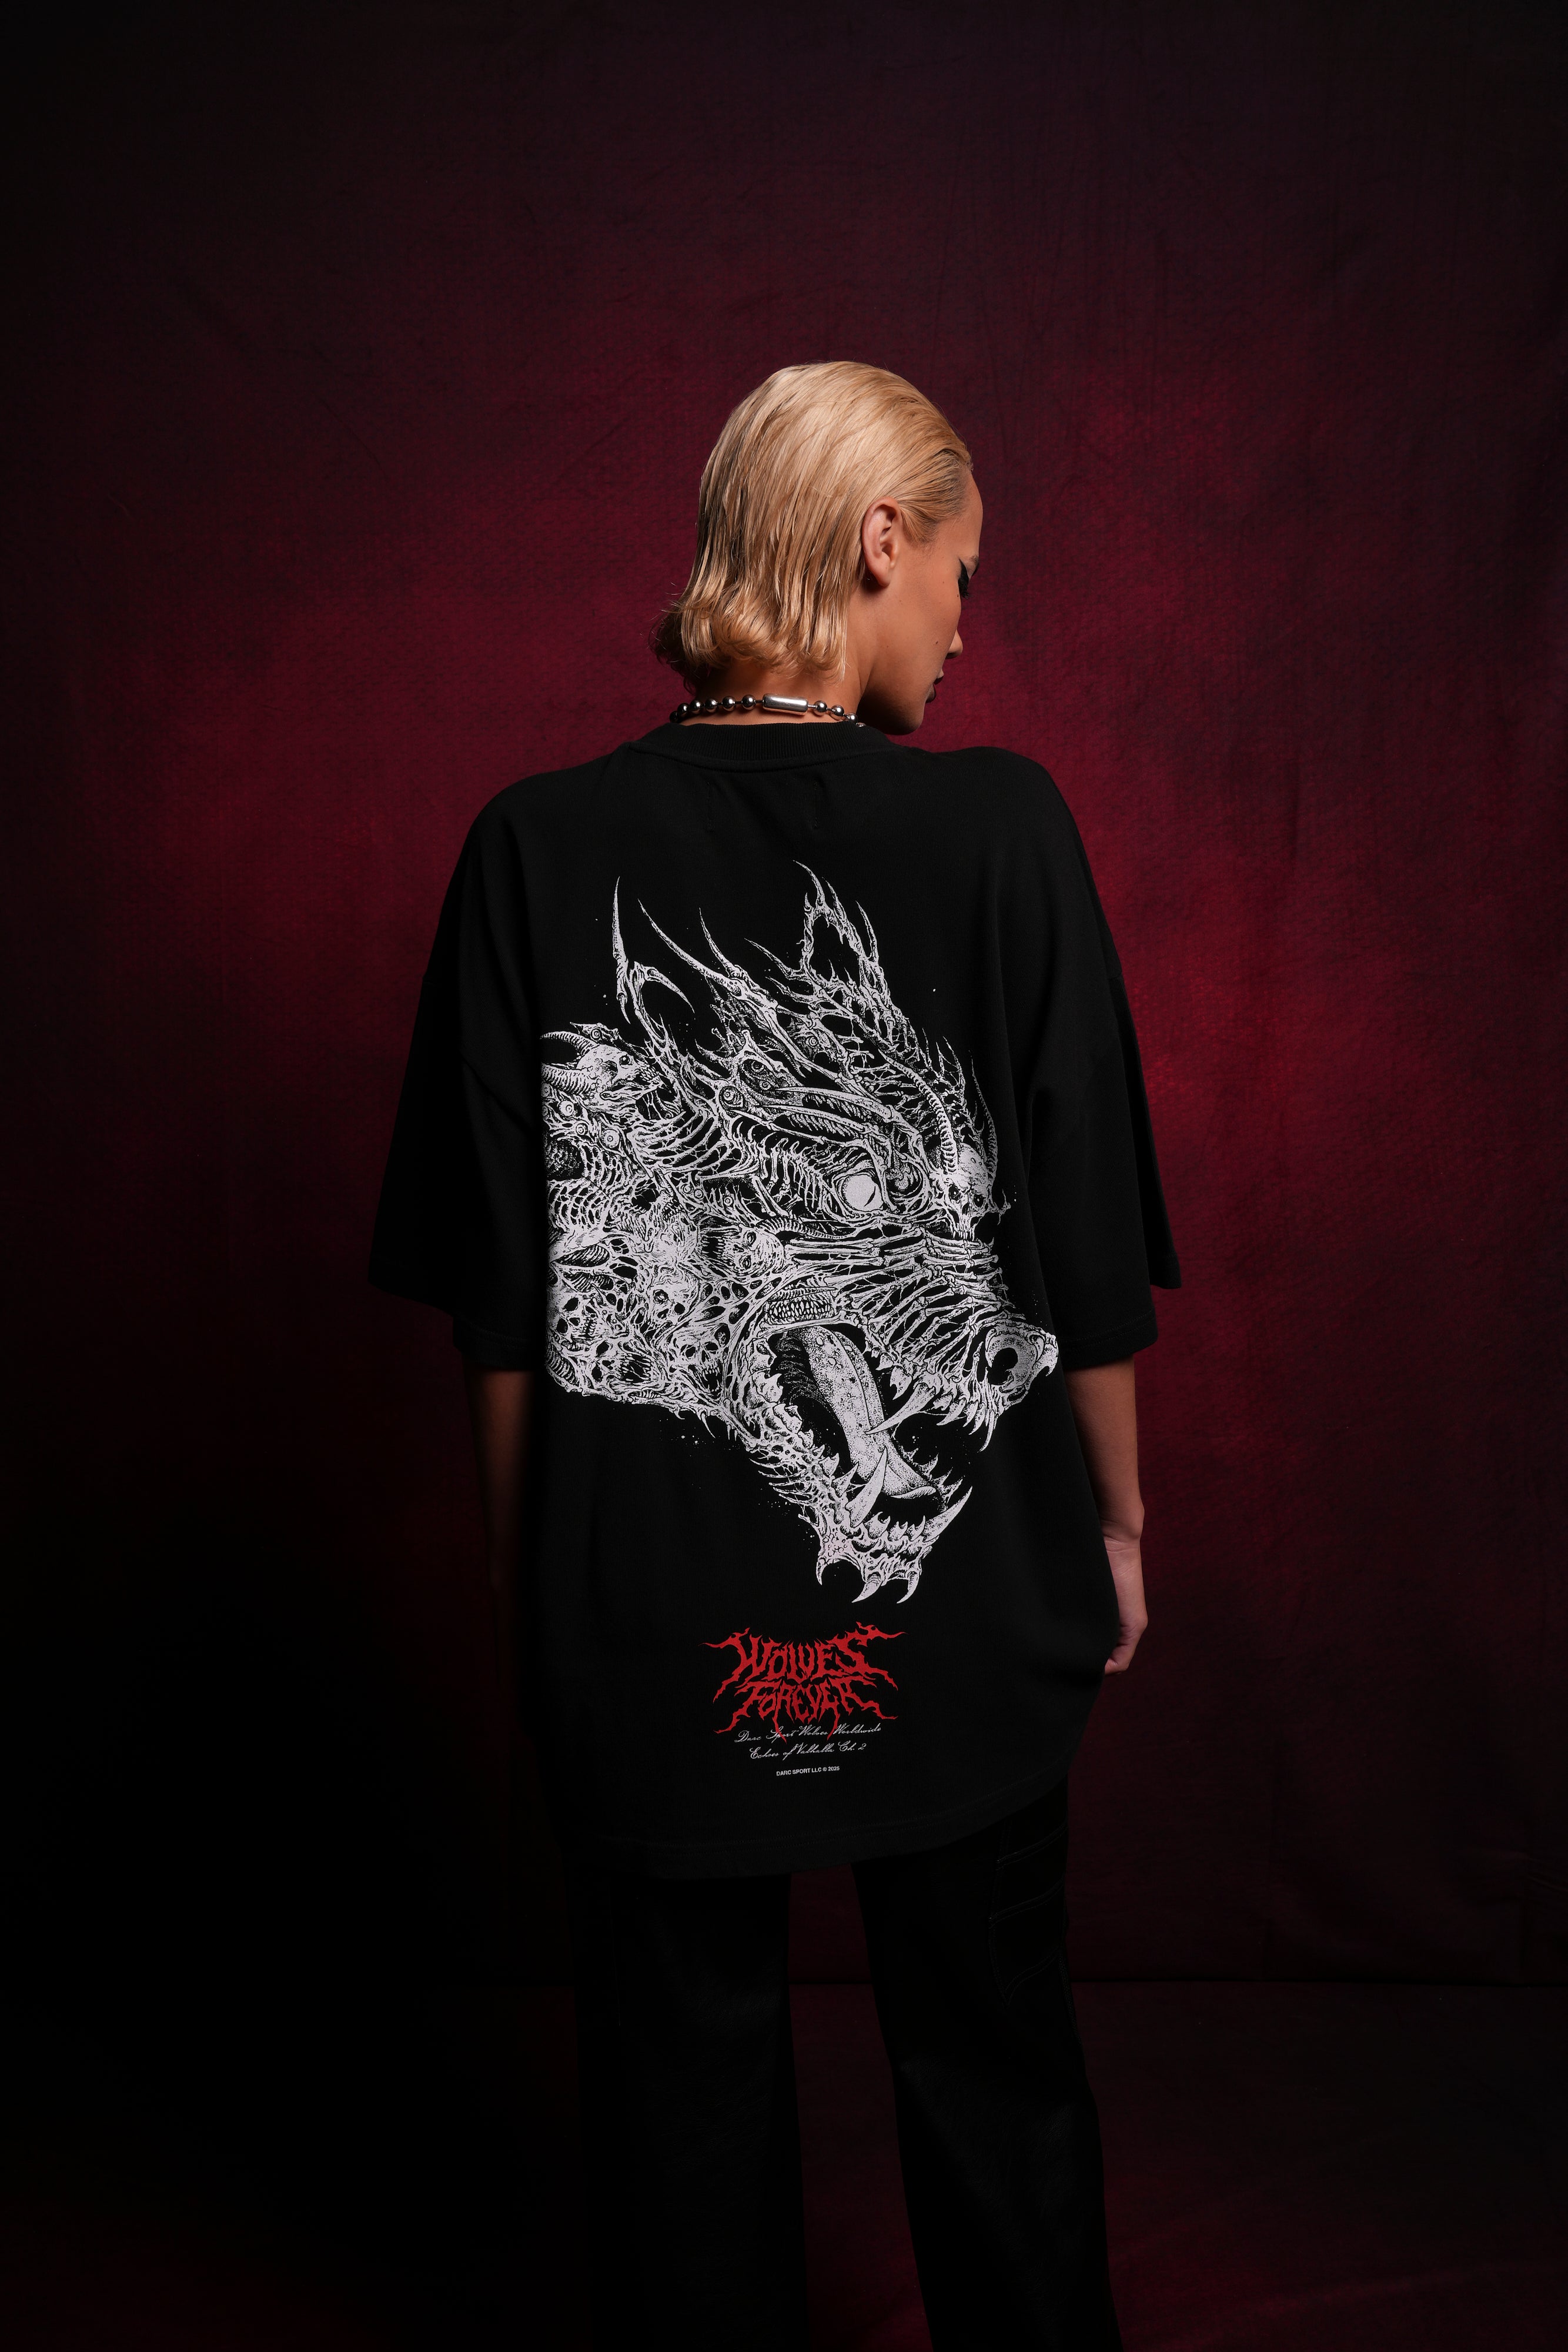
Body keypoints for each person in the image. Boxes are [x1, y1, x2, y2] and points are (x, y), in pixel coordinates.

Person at [370, 361, 1180, 2350]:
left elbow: (505, 1306)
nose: (964, 626)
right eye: (961, 573)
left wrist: (531, 1587)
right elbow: (1082, 1236)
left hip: (643, 1609)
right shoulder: (1004, 825)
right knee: (996, 2062)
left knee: (677, 2095)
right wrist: (1118, 1524)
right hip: (976, 1591)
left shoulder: (532, 846)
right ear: (877, 542)